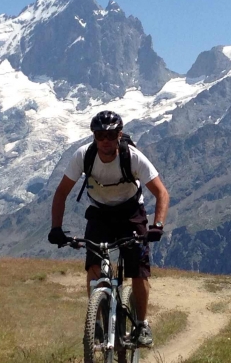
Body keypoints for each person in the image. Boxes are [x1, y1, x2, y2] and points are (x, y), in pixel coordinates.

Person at [48, 110, 169, 347]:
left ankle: (142, 325)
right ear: (94, 136)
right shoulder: (84, 156)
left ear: (119, 135)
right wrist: (56, 228)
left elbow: (162, 192)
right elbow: (61, 193)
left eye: (111, 135)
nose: (105, 140)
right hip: (100, 212)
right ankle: (97, 320)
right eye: (100, 135)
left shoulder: (132, 157)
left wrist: (158, 226)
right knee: (93, 263)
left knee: (138, 268)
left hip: (131, 212)